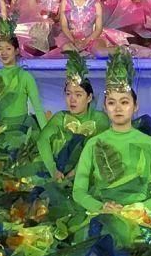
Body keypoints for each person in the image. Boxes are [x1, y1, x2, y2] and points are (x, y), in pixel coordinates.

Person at [70, 49, 151, 243]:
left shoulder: (149, 144)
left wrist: (137, 210)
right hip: (102, 217)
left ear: (135, 106)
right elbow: (78, 191)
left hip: (141, 218)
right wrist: (101, 207)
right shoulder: (93, 144)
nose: (118, 108)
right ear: (105, 107)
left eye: (124, 102)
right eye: (111, 103)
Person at [36, 50, 109, 184]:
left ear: (89, 98)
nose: (72, 100)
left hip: (89, 175)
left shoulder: (100, 118)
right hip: (59, 174)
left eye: (78, 95)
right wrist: (53, 170)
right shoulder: (61, 117)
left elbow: (96, 147)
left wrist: (76, 172)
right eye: (68, 94)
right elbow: (42, 140)